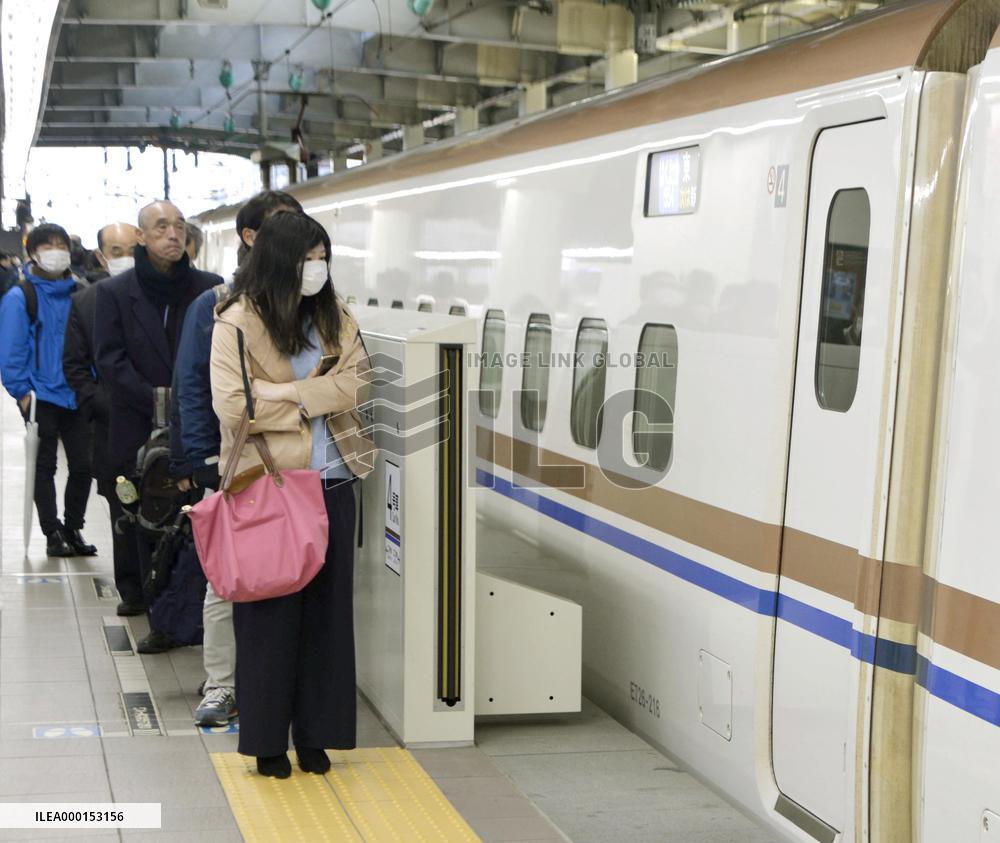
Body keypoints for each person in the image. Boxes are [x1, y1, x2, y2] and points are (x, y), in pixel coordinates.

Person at [210, 212, 374, 778]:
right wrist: (311, 396)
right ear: (280, 262)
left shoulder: (338, 316)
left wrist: (283, 393)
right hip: (269, 489)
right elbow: (235, 408)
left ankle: (316, 736)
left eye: (323, 257)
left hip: (333, 483)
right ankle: (266, 743)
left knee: (328, 622)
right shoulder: (233, 322)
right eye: (307, 259)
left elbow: (356, 384)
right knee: (270, 621)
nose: (318, 269)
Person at [172, 190, 303, 727]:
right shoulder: (216, 304)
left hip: (298, 465)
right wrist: (202, 459)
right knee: (226, 578)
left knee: (293, 574)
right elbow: (193, 388)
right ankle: (222, 685)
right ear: (250, 238)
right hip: (236, 463)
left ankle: (280, 682)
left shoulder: (309, 303)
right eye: (281, 229)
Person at [94, 201, 222, 652]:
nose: (173, 234)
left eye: (179, 227)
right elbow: (109, 360)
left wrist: (188, 404)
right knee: (147, 523)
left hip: (198, 428)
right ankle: (159, 617)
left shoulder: (211, 290)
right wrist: (158, 400)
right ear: (142, 239)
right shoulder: (114, 293)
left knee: (196, 522)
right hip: (135, 428)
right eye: (161, 227)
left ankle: (193, 615)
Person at [0, 224, 97, 557]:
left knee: (84, 466)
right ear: (34, 253)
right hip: (40, 396)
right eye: (49, 245)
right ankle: (52, 532)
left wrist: (93, 383)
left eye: (62, 245)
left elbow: (93, 341)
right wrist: (21, 392)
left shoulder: (82, 291)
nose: (57, 250)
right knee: (44, 467)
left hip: (77, 392)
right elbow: (11, 348)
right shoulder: (21, 296)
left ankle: (73, 528)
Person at [63, 222, 142, 614]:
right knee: (121, 511)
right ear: (100, 256)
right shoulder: (86, 302)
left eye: (130, 248)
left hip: (164, 423)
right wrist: (102, 404)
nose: (124, 258)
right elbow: (75, 367)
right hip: (112, 427)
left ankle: (170, 592)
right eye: (115, 250)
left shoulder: (162, 295)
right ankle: (132, 590)